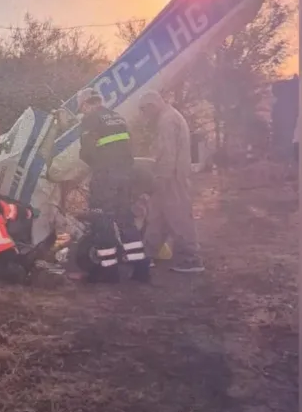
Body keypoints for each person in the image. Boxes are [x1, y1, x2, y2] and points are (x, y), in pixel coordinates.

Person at [75, 88, 150, 283]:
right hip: (125, 176)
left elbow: (86, 152)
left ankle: (108, 272)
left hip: (105, 177)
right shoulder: (117, 117)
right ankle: (141, 269)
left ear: (85, 104)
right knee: (125, 219)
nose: (82, 112)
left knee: (102, 221)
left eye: (81, 108)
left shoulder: (90, 119)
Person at [137, 90, 205, 273]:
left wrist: (161, 178)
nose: (145, 115)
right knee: (157, 215)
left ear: (152, 106)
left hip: (172, 177)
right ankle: (148, 254)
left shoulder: (166, 121)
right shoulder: (170, 116)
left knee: (179, 216)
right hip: (171, 175)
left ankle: (191, 258)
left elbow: (168, 154)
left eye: (144, 110)